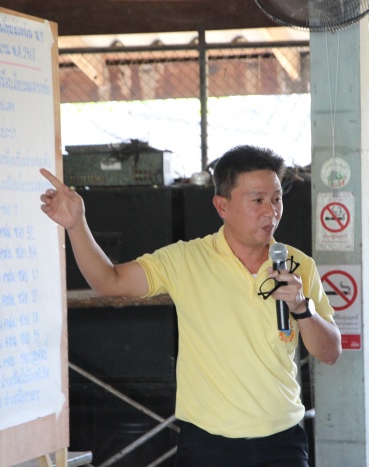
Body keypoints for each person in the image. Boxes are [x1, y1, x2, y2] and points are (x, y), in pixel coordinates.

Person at [39, 144, 341, 467]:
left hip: (282, 443)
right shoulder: (186, 260)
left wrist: (302, 307)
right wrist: (76, 226)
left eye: (277, 199)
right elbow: (109, 281)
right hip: (207, 446)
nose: (271, 211)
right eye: (257, 200)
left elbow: (330, 352)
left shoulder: (299, 265)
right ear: (222, 205)